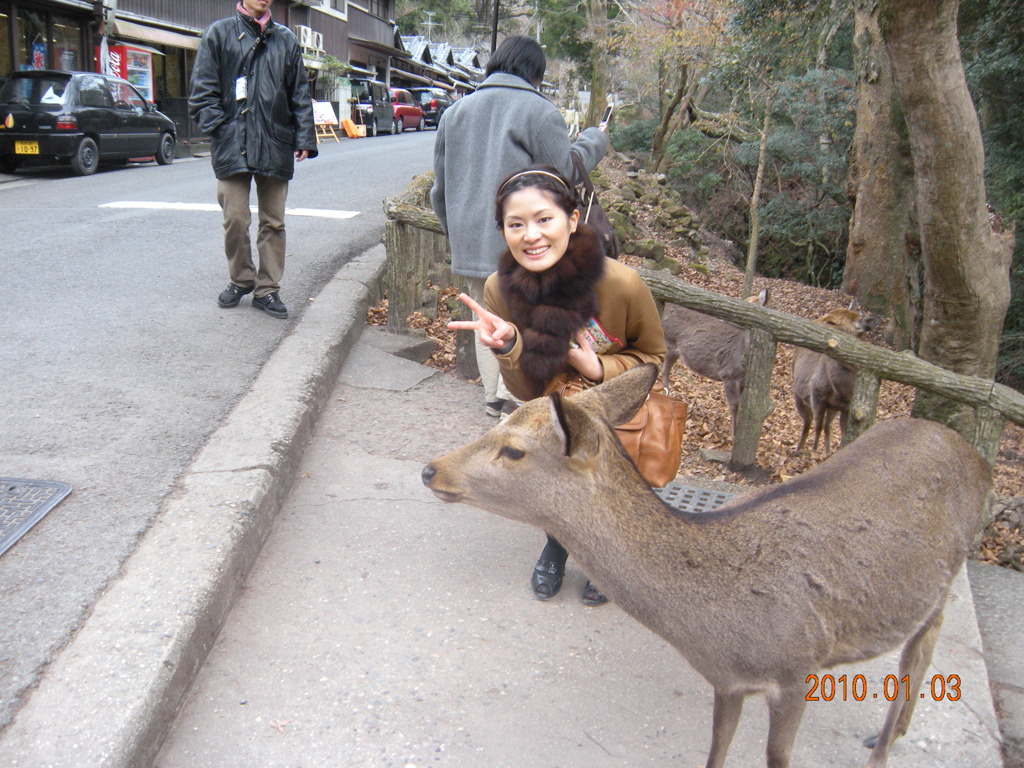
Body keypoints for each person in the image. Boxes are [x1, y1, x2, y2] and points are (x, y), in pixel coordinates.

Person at [451, 166, 666, 606]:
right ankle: (557, 542)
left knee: (606, 486)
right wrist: (510, 347)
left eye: (544, 219)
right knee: (552, 478)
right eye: (516, 224)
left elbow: (654, 358)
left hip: (612, 416)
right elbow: (526, 391)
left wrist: (600, 366)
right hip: (548, 411)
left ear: (572, 219)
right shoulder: (500, 288)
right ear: (503, 231)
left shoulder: (622, 285)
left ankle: (606, 556)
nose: (531, 235)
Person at [431, 35, 609, 418]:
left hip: (471, 241)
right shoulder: (539, 112)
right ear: (536, 73)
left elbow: (438, 191)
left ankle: (495, 399)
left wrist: (458, 236)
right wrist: (595, 140)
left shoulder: (455, 113)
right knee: (523, 319)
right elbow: (562, 174)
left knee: (488, 317)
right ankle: (515, 402)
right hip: (525, 242)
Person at [189, 0, 318, 319]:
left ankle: (267, 289)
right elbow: (201, 94)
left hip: (275, 140)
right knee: (235, 217)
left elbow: (298, 92)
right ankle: (242, 279)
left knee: (273, 220)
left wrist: (304, 137)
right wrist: (223, 129)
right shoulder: (218, 34)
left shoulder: (285, 39)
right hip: (232, 142)